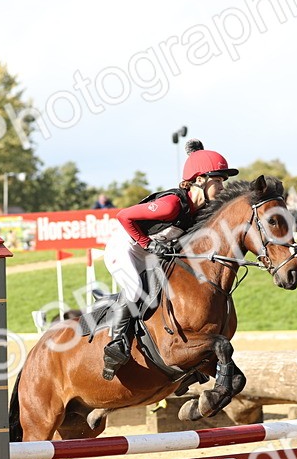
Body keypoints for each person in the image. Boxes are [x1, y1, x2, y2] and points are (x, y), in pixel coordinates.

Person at [99, 139, 237, 380]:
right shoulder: (171, 205)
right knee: (135, 291)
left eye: (223, 182)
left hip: (151, 252)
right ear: (199, 180)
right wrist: (147, 243)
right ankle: (116, 345)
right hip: (126, 247)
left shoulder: (201, 211)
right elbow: (124, 216)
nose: (222, 188)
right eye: (217, 181)